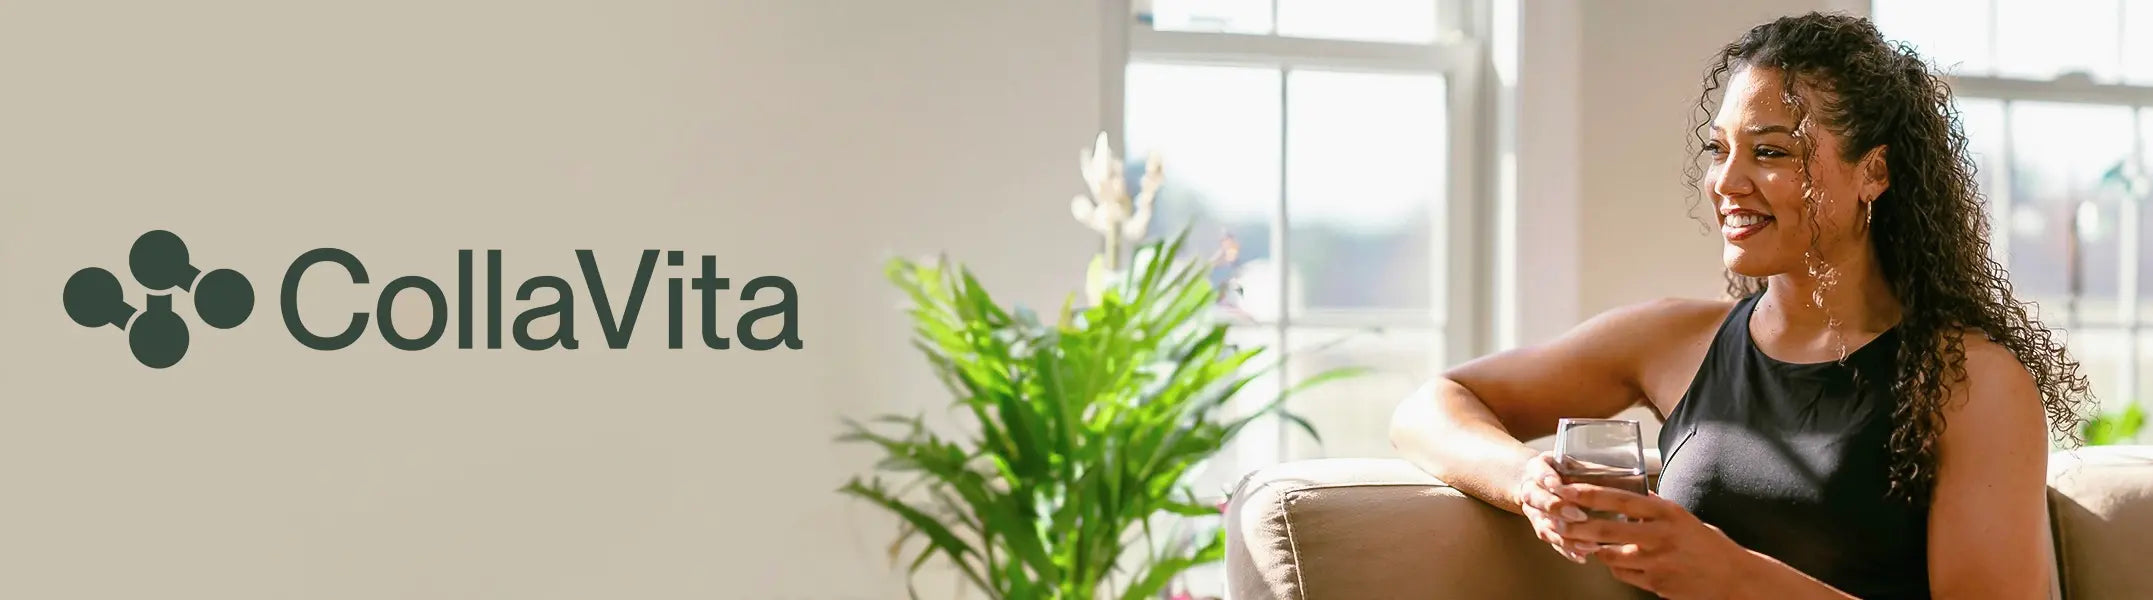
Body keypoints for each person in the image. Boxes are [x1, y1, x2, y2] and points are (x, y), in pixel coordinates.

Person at [1389, 12, 2094, 600]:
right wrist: (1526, 482)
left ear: (1872, 172)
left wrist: (1729, 575)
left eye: (1770, 152)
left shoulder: (1970, 381)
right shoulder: (1673, 340)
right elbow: (1430, 405)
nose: (1726, 181)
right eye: (1718, 148)